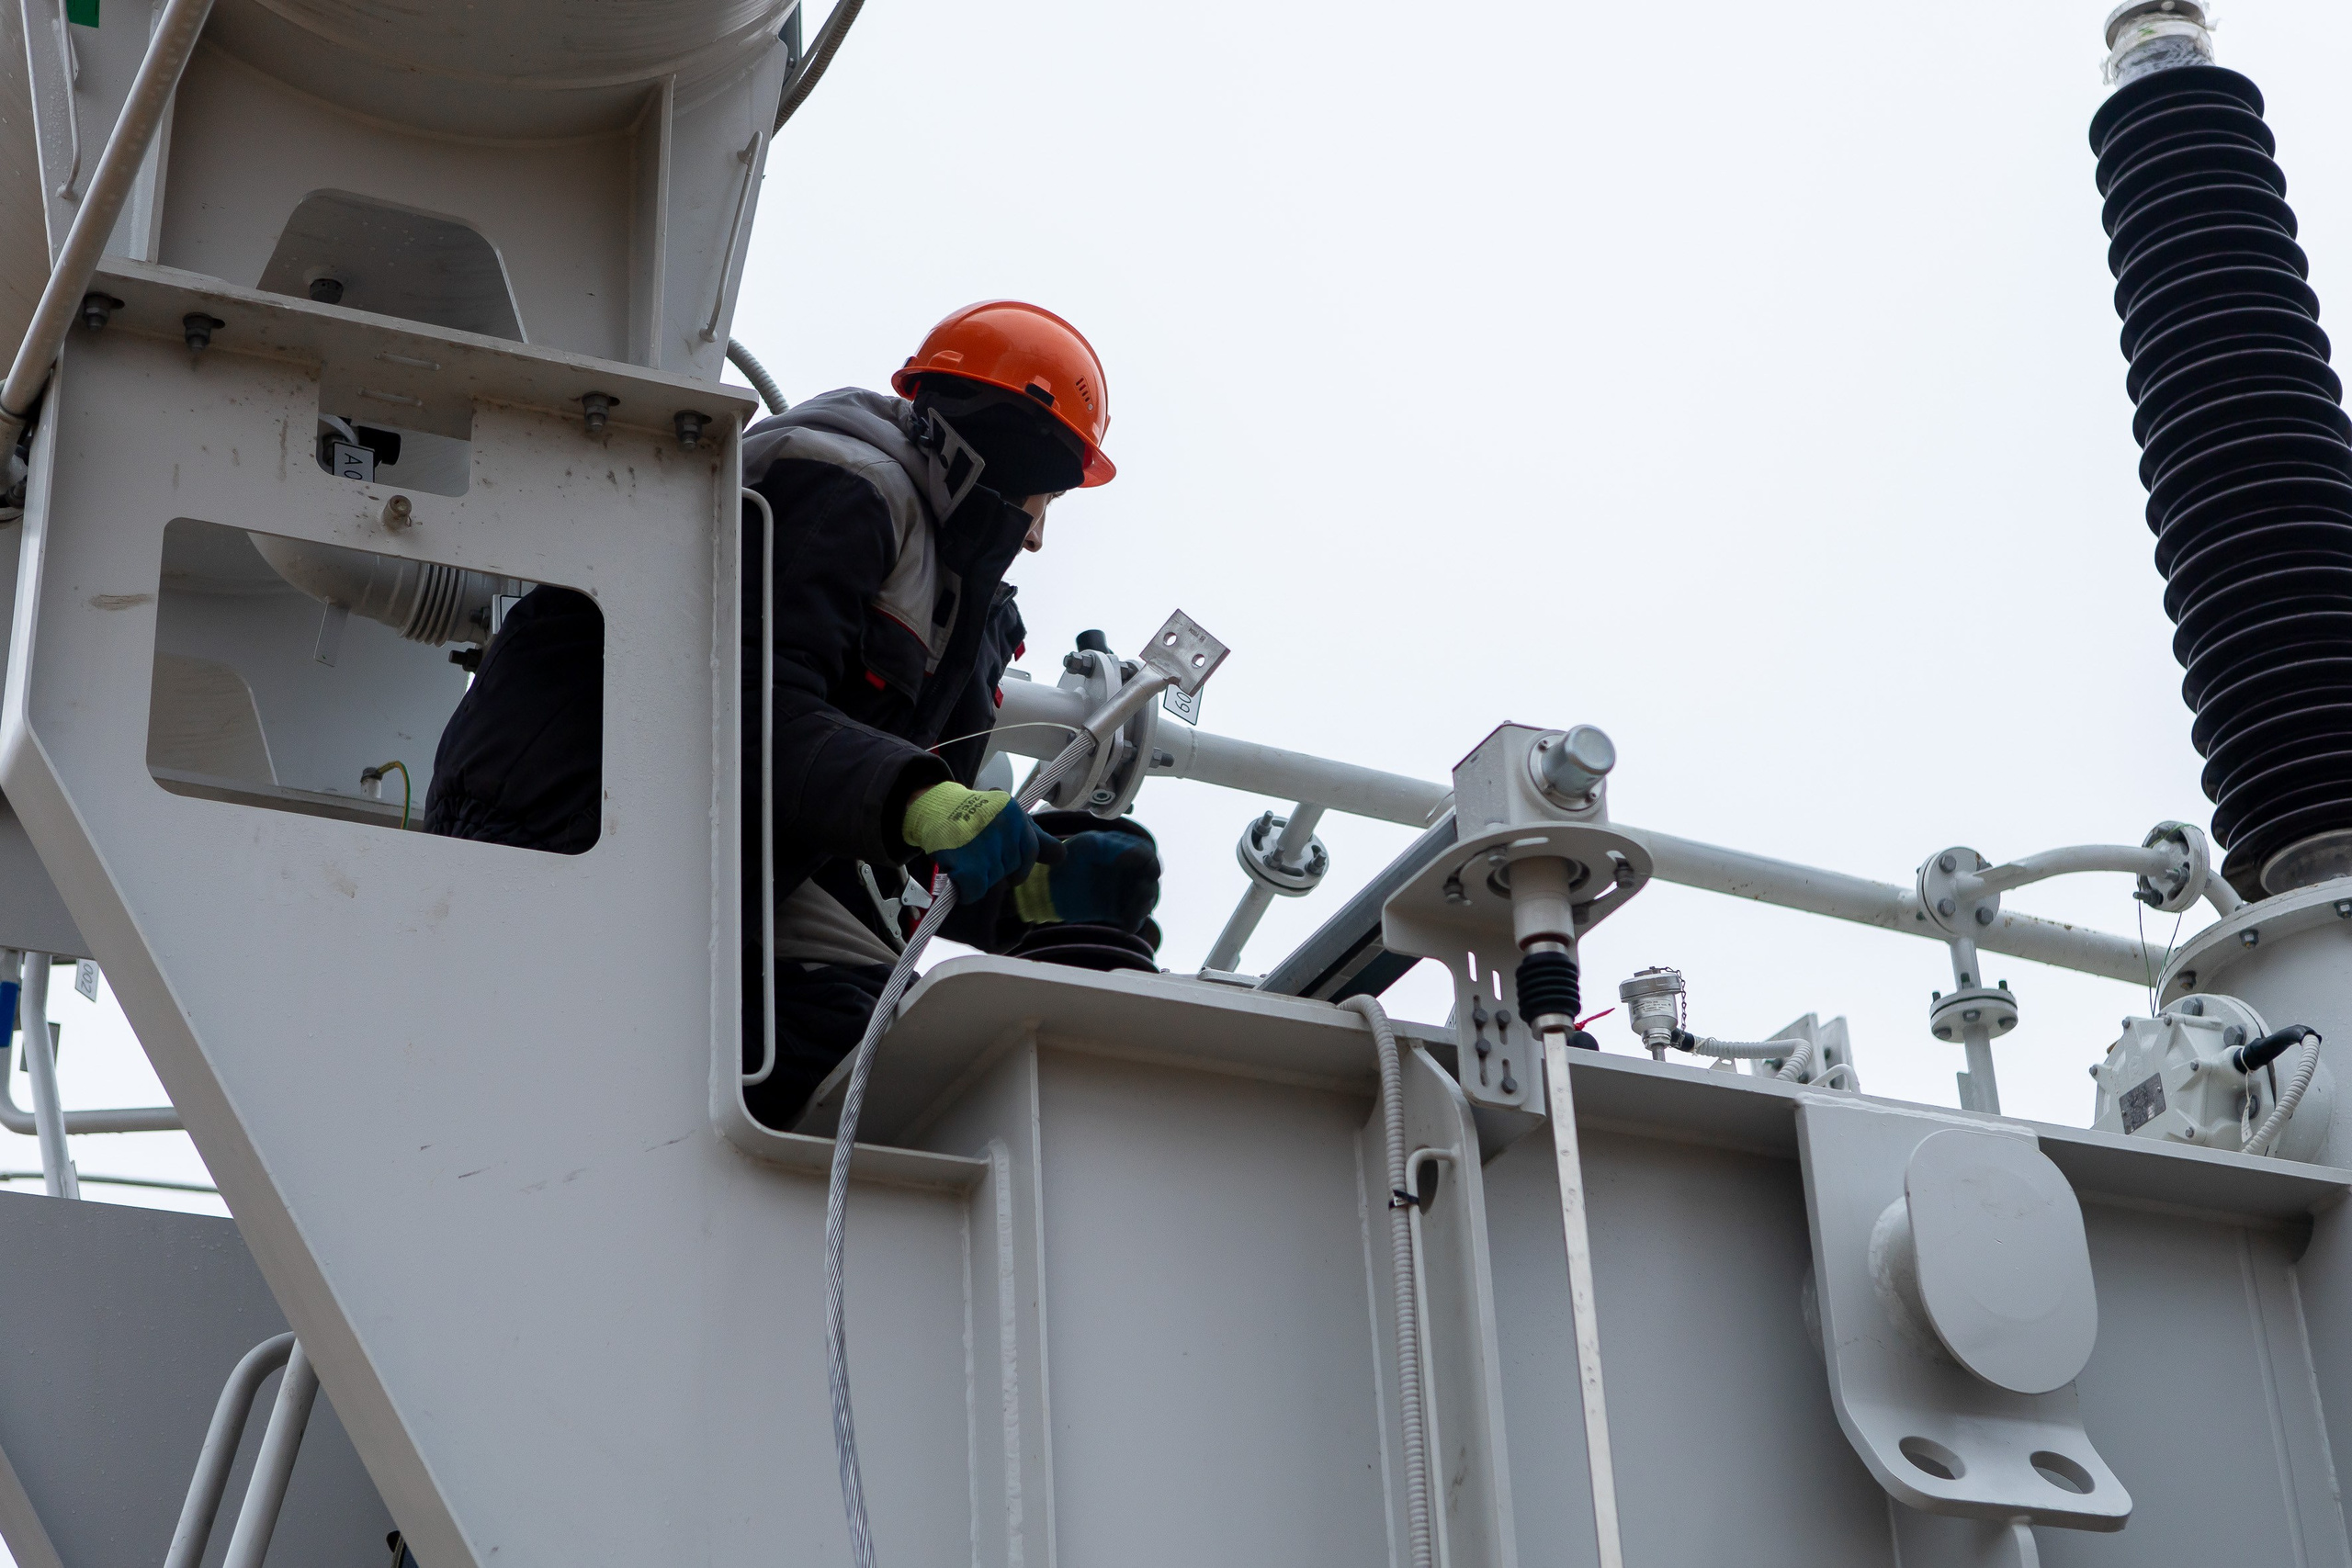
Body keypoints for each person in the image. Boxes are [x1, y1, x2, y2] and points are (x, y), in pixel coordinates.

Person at [422, 300, 1162, 1126]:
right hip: (564, 812)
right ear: (1016, 455)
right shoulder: (844, 486)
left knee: (919, 1040)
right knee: (882, 1056)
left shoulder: (957, 603)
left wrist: (1041, 893)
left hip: (713, 849)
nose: (1035, 540)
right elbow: (737, 711)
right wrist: (918, 800)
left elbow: (897, 845)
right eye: (1045, 500)